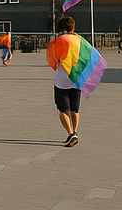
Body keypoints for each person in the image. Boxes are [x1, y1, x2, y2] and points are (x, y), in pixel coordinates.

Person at [51, 15, 83, 147]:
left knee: (63, 110)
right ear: (73, 27)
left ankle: (71, 134)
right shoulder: (80, 40)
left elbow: (53, 59)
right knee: (74, 109)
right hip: (77, 79)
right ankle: (75, 131)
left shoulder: (59, 41)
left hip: (62, 81)